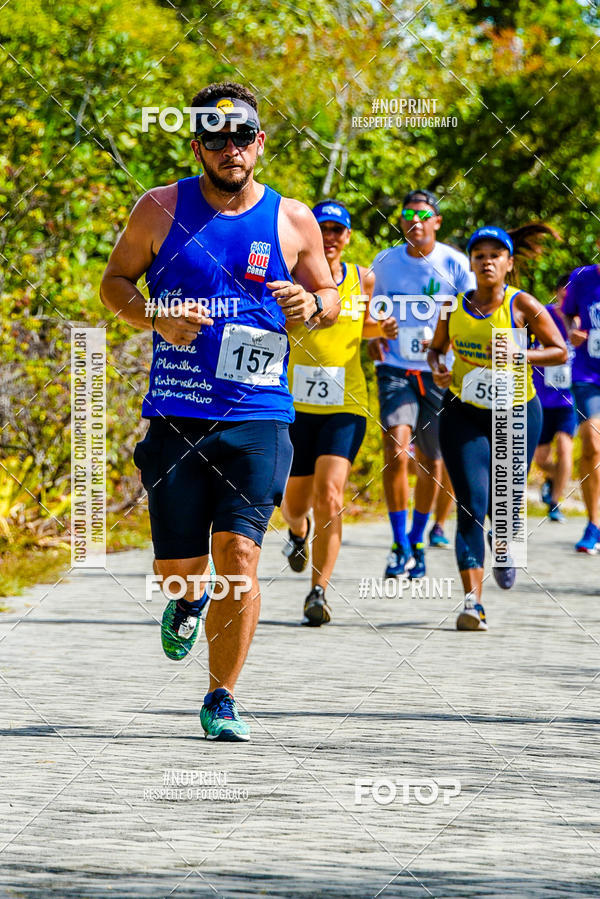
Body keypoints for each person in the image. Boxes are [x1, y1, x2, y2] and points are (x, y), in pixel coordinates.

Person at [100, 82, 338, 741]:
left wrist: (309, 308)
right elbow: (113, 283)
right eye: (217, 139)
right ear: (198, 145)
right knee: (179, 572)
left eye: (243, 137)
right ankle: (187, 602)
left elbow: (328, 296)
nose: (231, 149)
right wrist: (153, 314)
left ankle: (222, 696)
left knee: (239, 552)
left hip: (259, 414)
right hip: (176, 415)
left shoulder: (293, 220)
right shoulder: (159, 208)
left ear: (260, 142)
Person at [429, 224, 567, 631]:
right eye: (479, 256)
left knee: (503, 503)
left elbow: (560, 350)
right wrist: (439, 368)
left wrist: (523, 351)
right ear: (471, 263)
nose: (486, 261)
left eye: (495, 255)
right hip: (463, 412)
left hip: (516, 412)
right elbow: (437, 350)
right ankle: (473, 603)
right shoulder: (453, 306)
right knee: (471, 501)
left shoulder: (521, 304)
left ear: (508, 264)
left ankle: (504, 543)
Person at [281, 200, 398, 626]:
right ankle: (297, 533)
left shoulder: (362, 280)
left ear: (347, 237)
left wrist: (379, 332)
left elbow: (363, 324)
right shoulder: (290, 277)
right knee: (293, 506)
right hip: (294, 408)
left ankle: (319, 591)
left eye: (337, 230)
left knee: (330, 495)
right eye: (323, 228)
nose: (329, 237)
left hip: (345, 406)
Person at [369, 189, 475, 580]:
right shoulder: (384, 262)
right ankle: (398, 543)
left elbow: (471, 315)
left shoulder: (456, 263)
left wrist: (451, 350)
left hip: (439, 371)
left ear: (436, 222)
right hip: (395, 368)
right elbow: (370, 314)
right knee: (397, 451)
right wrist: (377, 333)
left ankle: (417, 540)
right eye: (407, 213)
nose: (414, 221)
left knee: (433, 462)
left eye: (422, 214)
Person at [562, 259, 600, 552]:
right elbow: (567, 315)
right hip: (589, 375)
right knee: (592, 443)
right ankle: (593, 524)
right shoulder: (582, 277)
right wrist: (572, 332)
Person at [532, 274, 577, 523]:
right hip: (541, 398)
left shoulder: (583, 322)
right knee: (541, 459)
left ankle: (555, 502)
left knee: (565, 447)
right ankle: (552, 479)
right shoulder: (542, 316)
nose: (567, 297)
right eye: (564, 291)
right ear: (557, 291)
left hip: (568, 400)